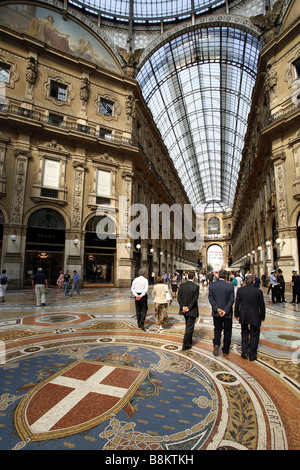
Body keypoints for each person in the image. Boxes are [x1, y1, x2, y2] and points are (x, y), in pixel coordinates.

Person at [234, 274, 266, 361]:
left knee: (244, 332)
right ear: (254, 282)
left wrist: (236, 314)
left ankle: (244, 352)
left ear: (244, 282)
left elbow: (237, 303)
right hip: (255, 315)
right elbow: (262, 305)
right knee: (254, 334)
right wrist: (262, 316)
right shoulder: (258, 292)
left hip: (243, 315)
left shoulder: (240, 290)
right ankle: (252, 355)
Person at [208, 269, 234, 356]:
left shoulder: (212, 286)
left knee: (217, 329)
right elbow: (231, 300)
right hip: (227, 313)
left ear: (218, 276)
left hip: (216, 313)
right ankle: (226, 349)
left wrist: (217, 309)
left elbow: (210, 298)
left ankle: (216, 344)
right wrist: (225, 310)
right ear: (226, 276)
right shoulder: (230, 286)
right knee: (227, 331)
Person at [178, 272, 199, 351]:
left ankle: (189, 341)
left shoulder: (182, 285)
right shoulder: (196, 287)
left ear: (187, 277)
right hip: (192, 310)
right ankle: (185, 345)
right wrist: (189, 308)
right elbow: (195, 299)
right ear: (194, 277)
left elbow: (179, 297)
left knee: (188, 325)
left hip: (184, 310)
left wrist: (183, 306)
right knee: (189, 327)